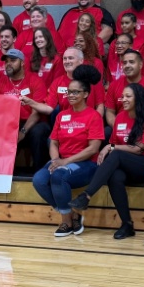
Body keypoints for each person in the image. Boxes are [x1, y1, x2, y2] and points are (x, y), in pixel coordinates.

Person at [69, 83, 144, 239]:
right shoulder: (119, 117)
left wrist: (111, 147)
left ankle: (86, 195)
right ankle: (127, 224)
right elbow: (114, 144)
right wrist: (111, 147)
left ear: (138, 98)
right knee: (115, 176)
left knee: (116, 154)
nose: (123, 99)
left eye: (128, 96)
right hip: (126, 164)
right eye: (122, 96)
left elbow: (139, 149)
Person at [32, 77, 103, 237]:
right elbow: (53, 142)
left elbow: (93, 148)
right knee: (39, 180)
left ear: (85, 94)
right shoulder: (61, 115)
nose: (70, 95)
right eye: (68, 92)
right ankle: (72, 214)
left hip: (86, 164)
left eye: (75, 92)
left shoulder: (93, 116)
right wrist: (56, 160)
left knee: (58, 175)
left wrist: (65, 162)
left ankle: (66, 222)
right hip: (63, 160)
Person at [0, 50, 48, 170]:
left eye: (13, 60)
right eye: (6, 61)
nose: (8, 64)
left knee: (39, 131)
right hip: (10, 123)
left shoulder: (35, 81)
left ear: (22, 63)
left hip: (32, 123)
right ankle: (0, 173)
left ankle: (39, 172)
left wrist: (22, 131)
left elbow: (37, 112)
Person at [105, 50, 144, 127]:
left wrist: (137, 131)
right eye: (124, 63)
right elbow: (110, 112)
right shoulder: (114, 85)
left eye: (131, 62)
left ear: (140, 65)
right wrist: (118, 127)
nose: (127, 65)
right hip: (121, 126)